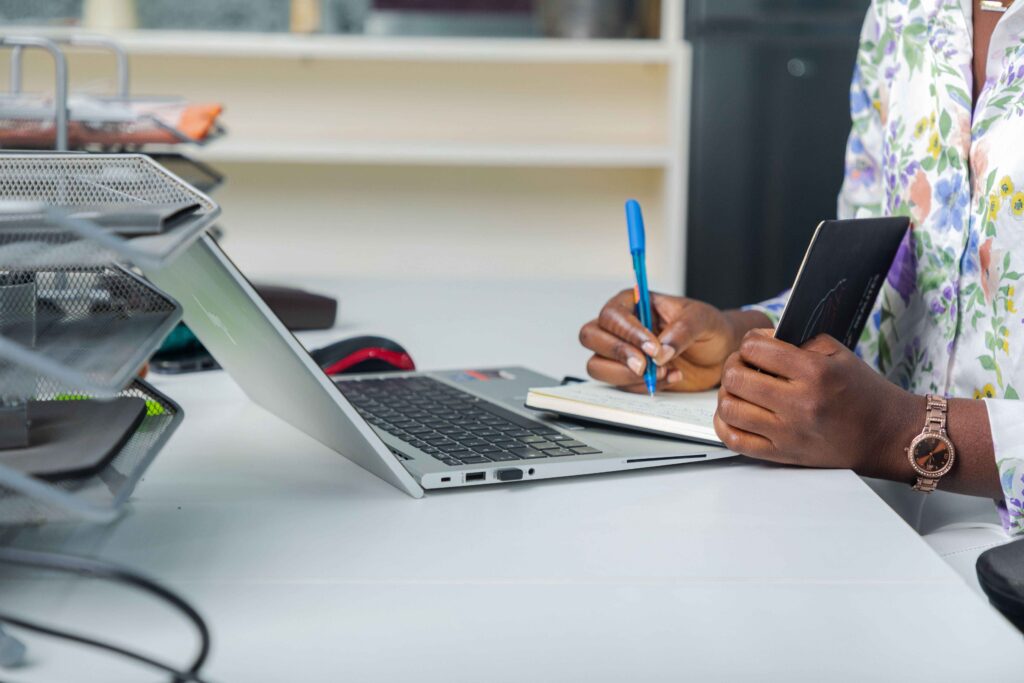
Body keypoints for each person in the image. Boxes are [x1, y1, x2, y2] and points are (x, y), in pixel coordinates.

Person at [579, 0, 1024, 534]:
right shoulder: (903, 11)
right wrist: (738, 342)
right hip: (866, 512)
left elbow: (883, 424)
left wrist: (895, 431)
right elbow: (888, 285)